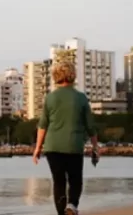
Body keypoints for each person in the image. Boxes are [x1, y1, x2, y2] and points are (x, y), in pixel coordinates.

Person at [32, 60, 98, 215]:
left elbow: (42, 125)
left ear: (55, 76)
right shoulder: (81, 98)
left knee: (59, 182)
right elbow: (90, 126)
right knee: (75, 180)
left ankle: (62, 213)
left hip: (53, 147)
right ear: (72, 75)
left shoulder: (50, 98)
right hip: (74, 146)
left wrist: (37, 149)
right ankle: (72, 206)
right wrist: (95, 147)